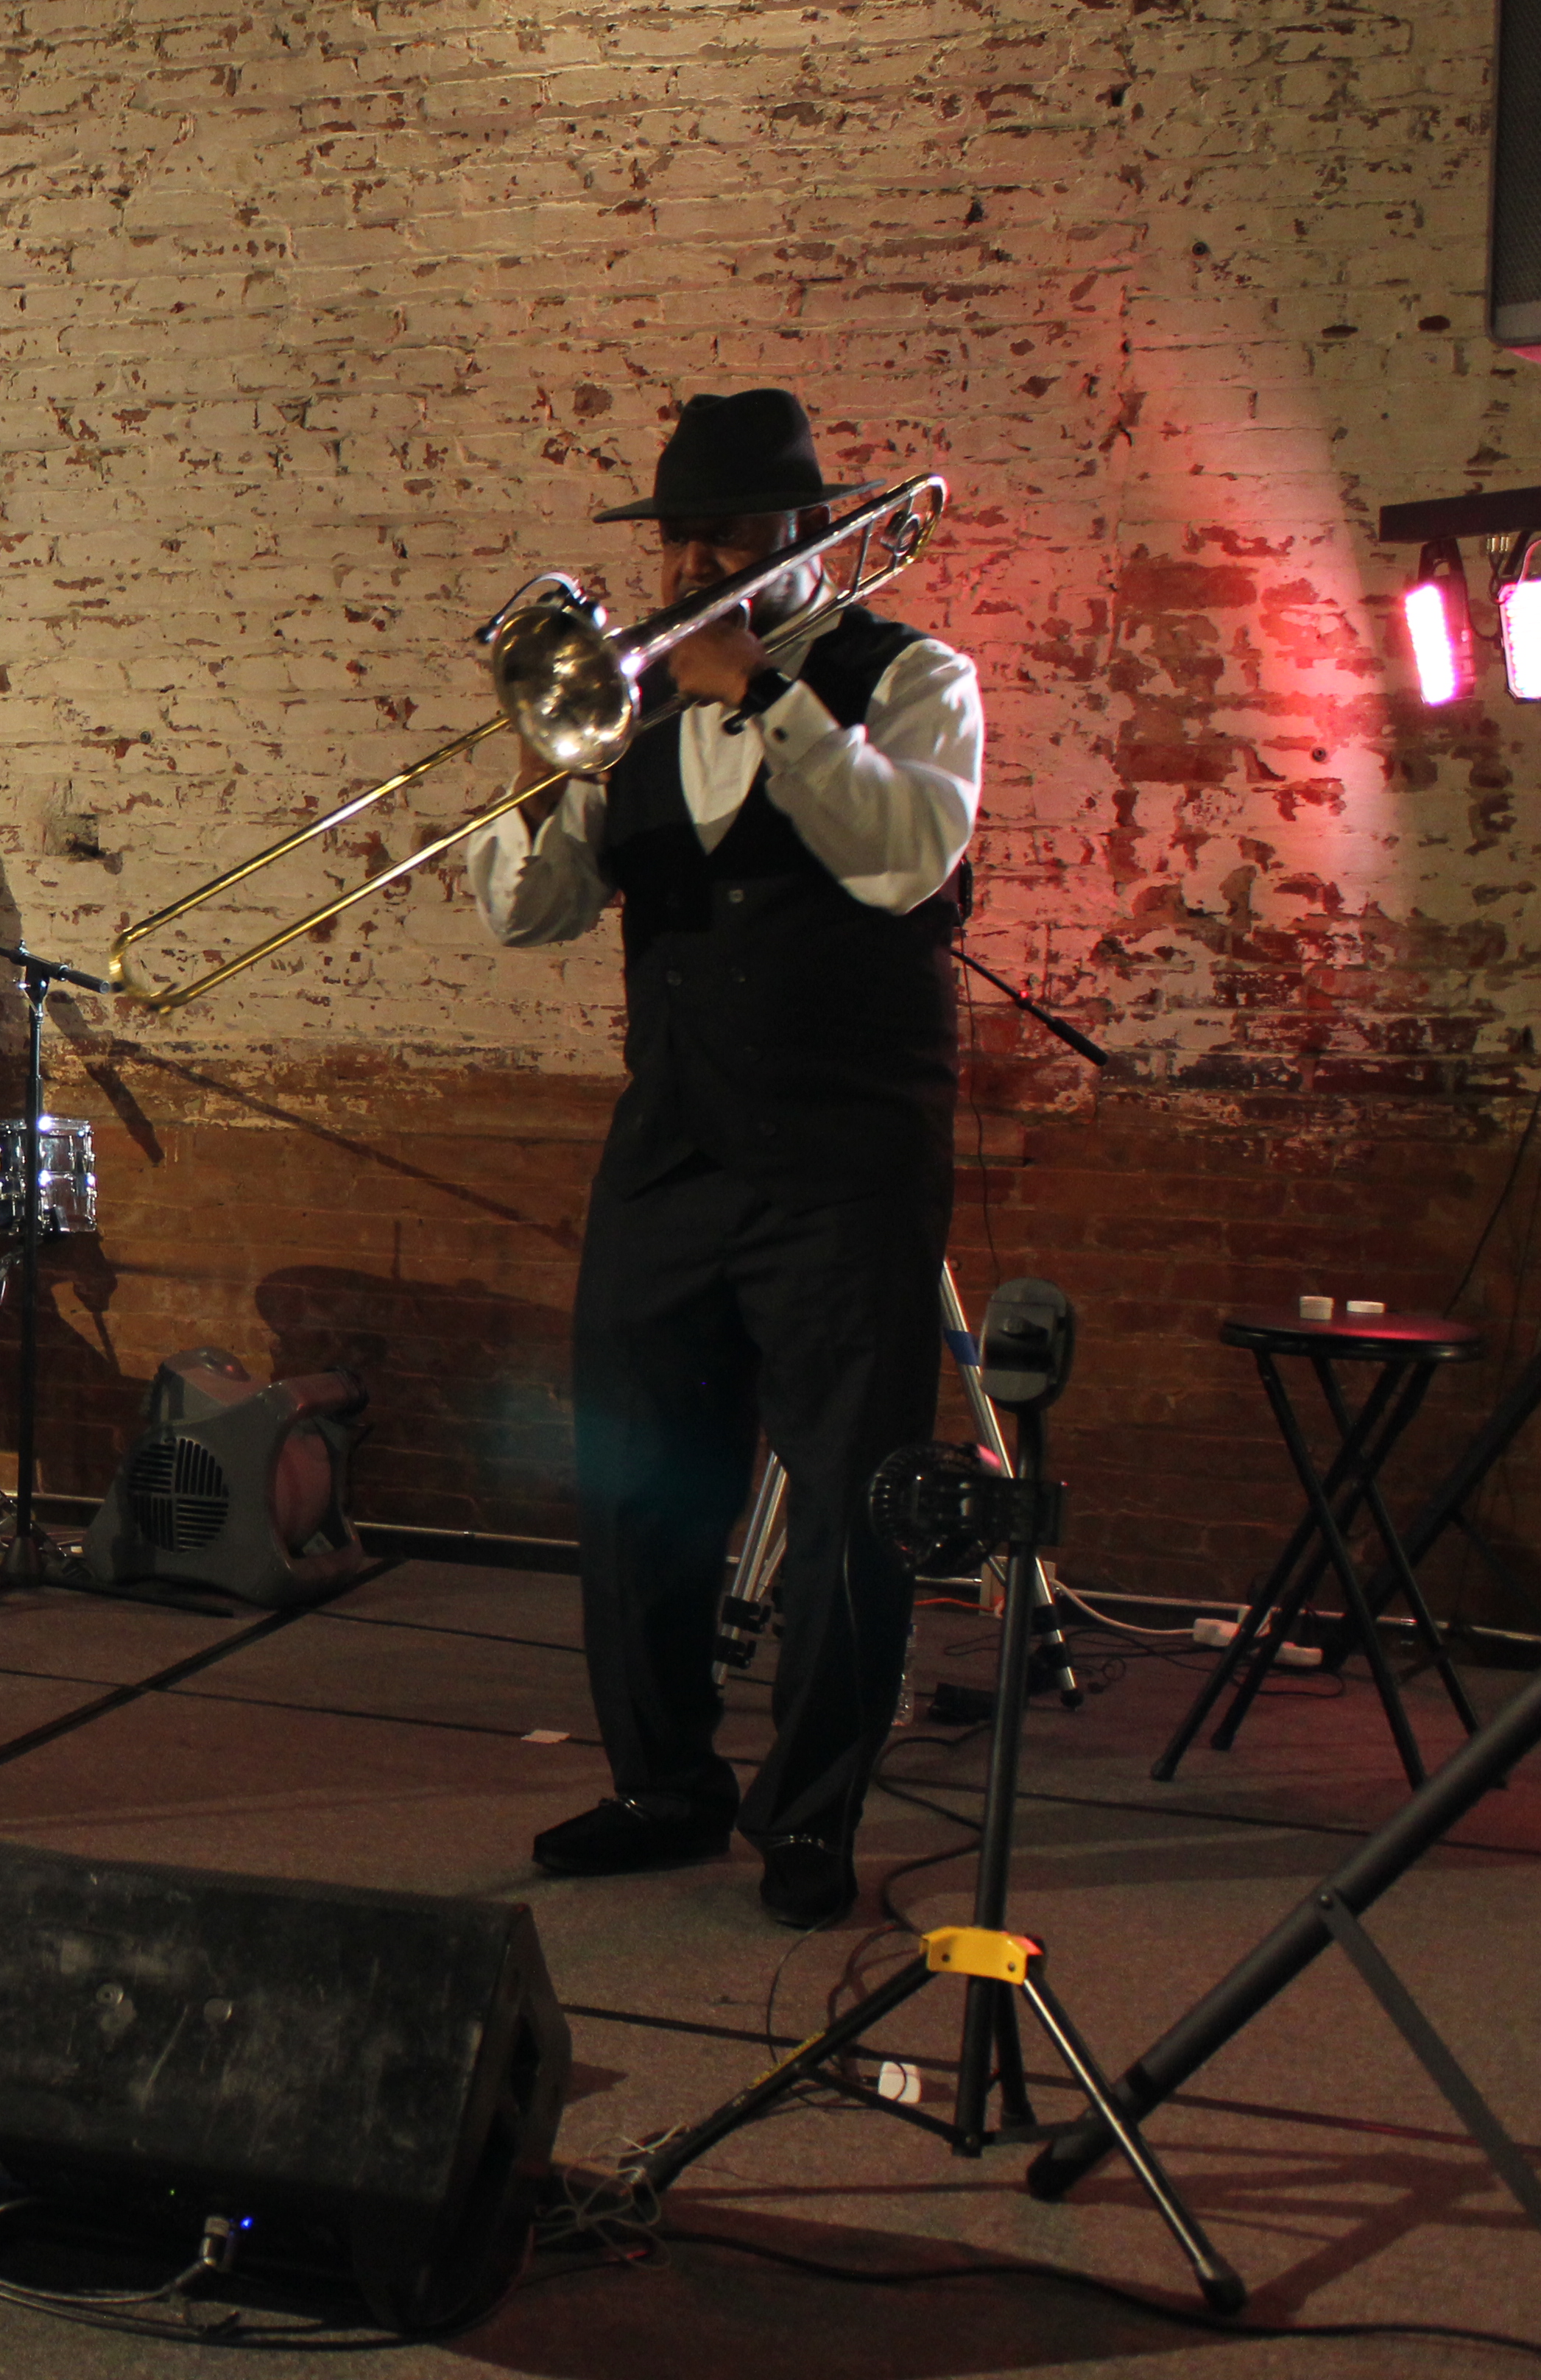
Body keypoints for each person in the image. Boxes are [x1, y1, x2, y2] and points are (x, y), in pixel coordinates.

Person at [468, 388, 981, 1931]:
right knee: (635, 1475)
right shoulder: (632, 707)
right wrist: (543, 767)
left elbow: (906, 855)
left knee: (847, 1494)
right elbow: (526, 913)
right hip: (676, 1142)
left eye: (727, 535)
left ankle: (809, 1816)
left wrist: (758, 695)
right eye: (679, 533)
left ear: (806, 536)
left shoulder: (913, 677)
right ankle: (662, 1784)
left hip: (845, 1158)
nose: (693, 558)